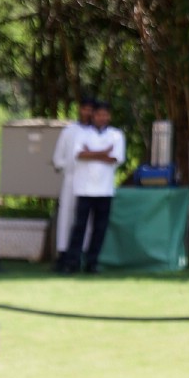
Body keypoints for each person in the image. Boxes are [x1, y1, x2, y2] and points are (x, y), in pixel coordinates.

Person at [58, 98, 125, 275]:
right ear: (93, 115)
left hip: (105, 189)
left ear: (109, 116)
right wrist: (103, 153)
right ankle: (72, 262)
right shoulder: (81, 133)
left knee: (99, 228)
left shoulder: (116, 135)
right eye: (99, 114)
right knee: (79, 227)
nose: (102, 117)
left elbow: (115, 158)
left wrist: (92, 153)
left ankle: (92, 262)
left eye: (105, 114)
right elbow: (79, 155)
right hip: (84, 188)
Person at [52, 96, 94, 260]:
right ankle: (63, 253)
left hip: (91, 182)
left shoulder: (98, 132)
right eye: (85, 109)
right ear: (80, 110)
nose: (88, 113)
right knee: (66, 215)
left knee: (88, 219)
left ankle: (82, 253)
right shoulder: (69, 131)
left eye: (91, 110)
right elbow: (58, 159)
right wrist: (69, 167)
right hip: (71, 179)